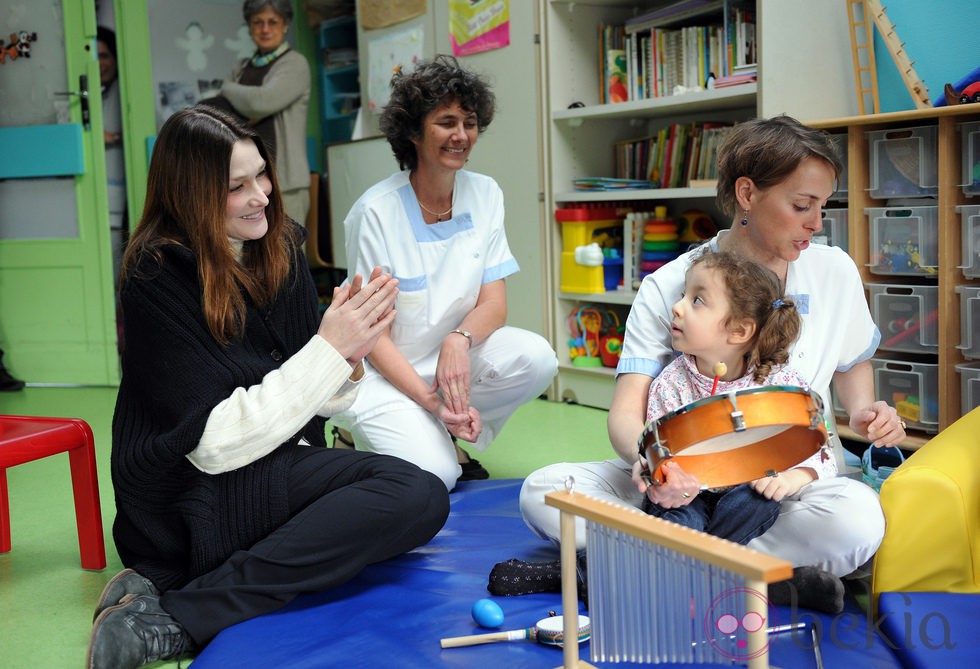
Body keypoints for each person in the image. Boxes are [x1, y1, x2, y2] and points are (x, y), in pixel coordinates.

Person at [86, 105, 450, 669]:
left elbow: (318, 401)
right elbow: (212, 445)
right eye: (237, 186)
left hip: (272, 461)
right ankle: (182, 614)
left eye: (262, 174)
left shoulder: (277, 245)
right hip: (190, 493)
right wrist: (328, 350)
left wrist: (349, 355)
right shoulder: (155, 276)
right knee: (409, 495)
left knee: (420, 496)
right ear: (190, 195)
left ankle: (170, 592)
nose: (261, 195)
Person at [514, 115, 907, 612]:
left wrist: (870, 412)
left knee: (855, 522)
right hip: (678, 484)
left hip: (780, 482)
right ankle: (764, 579)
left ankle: (649, 566)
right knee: (543, 492)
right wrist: (657, 468)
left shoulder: (833, 269)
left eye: (821, 207)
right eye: (802, 205)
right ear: (747, 194)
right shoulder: (673, 284)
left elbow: (852, 369)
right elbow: (626, 413)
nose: (816, 223)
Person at [330, 56, 558, 491]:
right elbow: (370, 336)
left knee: (537, 358)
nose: (461, 135)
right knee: (438, 477)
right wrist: (432, 401)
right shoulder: (375, 212)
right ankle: (351, 433)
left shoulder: (486, 193)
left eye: (469, 122)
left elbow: (494, 303)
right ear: (414, 132)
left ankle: (447, 431)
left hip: (449, 361)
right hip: (383, 373)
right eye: (446, 122)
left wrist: (459, 339)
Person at [639, 250, 834, 545]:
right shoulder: (670, 383)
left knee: (759, 501)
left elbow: (823, 450)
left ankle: (696, 564)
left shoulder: (778, 382)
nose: (677, 307)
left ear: (739, 330)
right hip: (688, 495)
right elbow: (655, 452)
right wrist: (666, 481)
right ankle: (709, 568)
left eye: (697, 300)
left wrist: (793, 478)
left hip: (743, 491)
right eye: (683, 295)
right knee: (682, 521)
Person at [210, 0, 311, 225]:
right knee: (252, 253)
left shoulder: (295, 64)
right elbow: (221, 110)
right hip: (247, 180)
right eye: (258, 22)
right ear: (249, 26)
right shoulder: (241, 67)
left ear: (285, 25)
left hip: (286, 182)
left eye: (272, 22)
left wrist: (229, 89)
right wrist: (244, 108)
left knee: (288, 253)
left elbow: (261, 102)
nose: (265, 29)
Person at [97, 26, 127, 287]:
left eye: (104, 56)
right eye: (94, 57)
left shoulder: (124, 92)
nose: (99, 64)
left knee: (116, 267)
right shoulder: (96, 94)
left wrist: (110, 138)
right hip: (96, 203)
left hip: (117, 202)